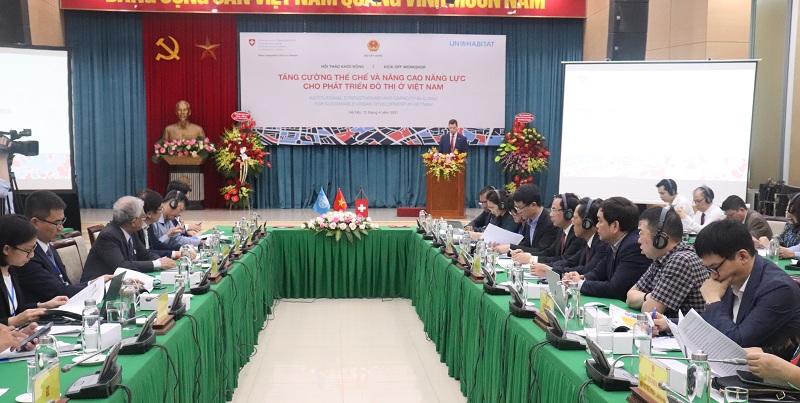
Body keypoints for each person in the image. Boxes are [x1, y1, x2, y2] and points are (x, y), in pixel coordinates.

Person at [693, 220, 800, 359]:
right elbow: (718, 320)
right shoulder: (733, 276)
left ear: (742, 256)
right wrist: (673, 324)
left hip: (768, 369)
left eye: (715, 267)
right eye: (709, 269)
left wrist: (712, 301)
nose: (713, 275)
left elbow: (737, 343)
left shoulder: (778, 289)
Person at [14, 191, 111, 302]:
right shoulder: (27, 256)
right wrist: (94, 285)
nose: (61, 228)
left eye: (62, 222)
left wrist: (94, 283)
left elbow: (65, 285)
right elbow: (58, 291)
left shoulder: (48, 247)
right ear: (35, 222)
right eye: (56, 223)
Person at [562, 197, 651, 301]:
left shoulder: (633, 247)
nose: (597, 225)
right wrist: (580, 278)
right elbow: (598, 273)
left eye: (600, 221)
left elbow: (615, 289)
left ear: (615, 226)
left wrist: (580, 284)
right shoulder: (613, 244)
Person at [626, 207, 708, 317]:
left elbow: (649, 311)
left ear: (660, 238)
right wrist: (649, 297)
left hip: (686, 328)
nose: (638, 240)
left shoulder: (681, 260)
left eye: (642, 233)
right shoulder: (662, 258)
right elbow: (630, 297)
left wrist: (649, 299)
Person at [81, 197, 176, 282]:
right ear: (134, 222)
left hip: (122, 283)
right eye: (143, 216)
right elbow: (122, 266)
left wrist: (161, 260)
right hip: (97, 288)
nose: (144, 219)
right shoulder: (108, 236)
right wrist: (157, 264)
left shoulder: (130, 230)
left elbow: (145, 254)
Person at [0, 215, 68, 327]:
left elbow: (17, 309)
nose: (31, 255)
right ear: (7, 249)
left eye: (33, 249)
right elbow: (12, 317)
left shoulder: (11, 270)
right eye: (28, 250)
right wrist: (13, 322)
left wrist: (42, 306)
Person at [527, 197, 610, 277]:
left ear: (586, 223)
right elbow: (570, 262)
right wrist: (546, 267)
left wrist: (551, 270)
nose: (572, 222)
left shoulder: (602, 245)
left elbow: (586, 270)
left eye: (575, 218)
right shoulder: (586, 241)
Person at [512, 193, 585, 265]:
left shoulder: (577, 234)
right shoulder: (562, 230)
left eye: (554, 210)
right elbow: (549, 252)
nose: (550, 214)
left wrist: (531, 259)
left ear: (568, 214)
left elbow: (565, 260)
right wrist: (526, 255)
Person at [492, 184, 559, 255]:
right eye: (516, 208)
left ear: (533, 205)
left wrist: (510, 247)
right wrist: (505, 247)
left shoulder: (549, 223)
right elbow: (527, 244)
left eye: (520, 208)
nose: (518, 212)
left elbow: (542, 251)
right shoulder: (529, 220)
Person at [136, 189, 182, 259]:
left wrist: (181, 248)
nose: (162, 211)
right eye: (160, 209)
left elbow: (157, 245)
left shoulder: (148, 225)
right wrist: (174, 254)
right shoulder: (135, 230)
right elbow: (145, 253)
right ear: (149, 214)